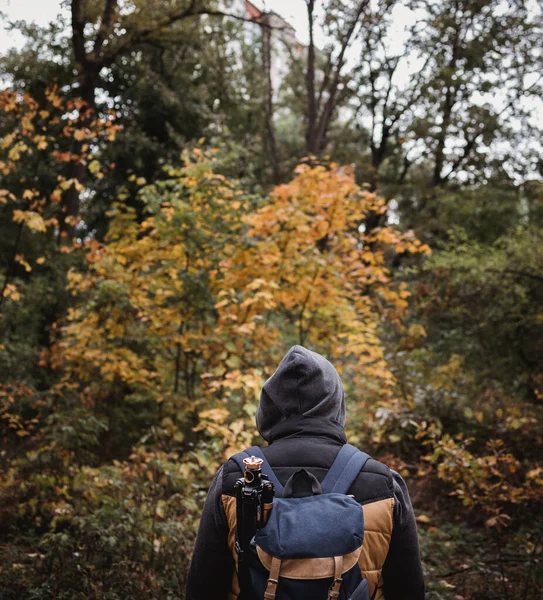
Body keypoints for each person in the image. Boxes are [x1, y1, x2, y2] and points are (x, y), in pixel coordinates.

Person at [186, 345, 425, 600]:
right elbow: (408, 589)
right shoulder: (384, 483)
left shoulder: (235, 476)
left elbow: (204, 586)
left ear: (268, 407)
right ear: (336, 403)